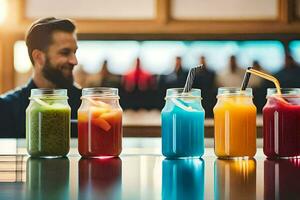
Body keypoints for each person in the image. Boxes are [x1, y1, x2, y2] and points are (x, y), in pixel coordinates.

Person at [0, 17, 81, 138]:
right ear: (38, 57)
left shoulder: (86, 105)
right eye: (65, 52)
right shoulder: (6, 108)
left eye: (74, 52)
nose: (74, 61)